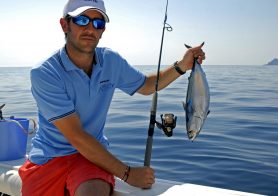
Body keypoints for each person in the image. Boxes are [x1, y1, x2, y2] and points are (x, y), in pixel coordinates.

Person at [18, 0, 206, 195]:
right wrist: (128, 173)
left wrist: (182, 66)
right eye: (82, 20)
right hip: (49, 158)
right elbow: (76, 136)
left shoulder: (111, 61)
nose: (90, 28)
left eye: (98, 23)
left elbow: (148, 85)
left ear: (103, 30)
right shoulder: (45, 72)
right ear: (64, 25)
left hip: (91, 157)